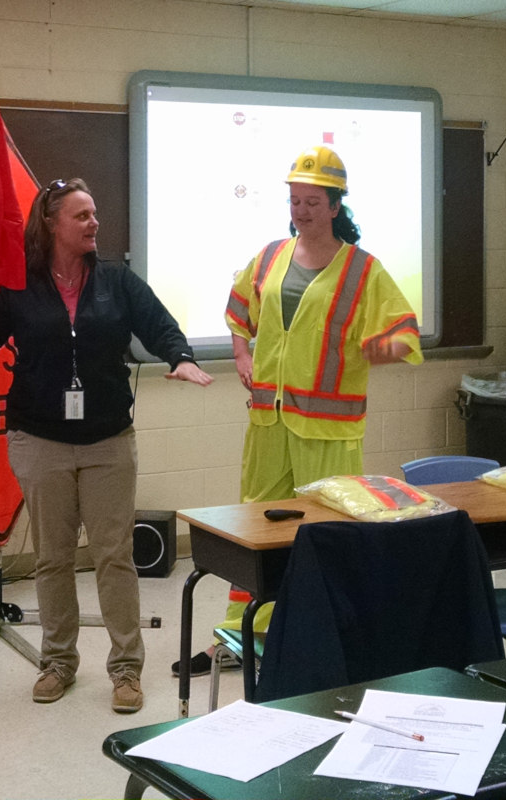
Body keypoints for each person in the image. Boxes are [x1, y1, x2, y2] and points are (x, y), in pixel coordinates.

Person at [0, 177, 213, 712]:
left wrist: (181, 357)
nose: (94, 223)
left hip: (107, 440)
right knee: (52, 559)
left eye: (94, 213)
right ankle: (57, 663)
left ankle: (126, 671)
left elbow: (159, 324)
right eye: (81, 216)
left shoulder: (117, 282)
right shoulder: (18, 283)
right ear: (51, 224)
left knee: (113, 557)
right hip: (39, 439)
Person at [172, 144, 423, 677]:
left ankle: (332, 630)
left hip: (330, 428)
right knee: (253, 527)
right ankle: (243, 636)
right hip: (269, 420)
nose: (301, 211)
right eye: (295, 200)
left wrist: (388, 348)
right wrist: (242, 353)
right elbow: (239, 309)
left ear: (335, 206)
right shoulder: (269, 257)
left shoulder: (363, 271)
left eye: (312, 201)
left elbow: (403, 331)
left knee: (331, 528)